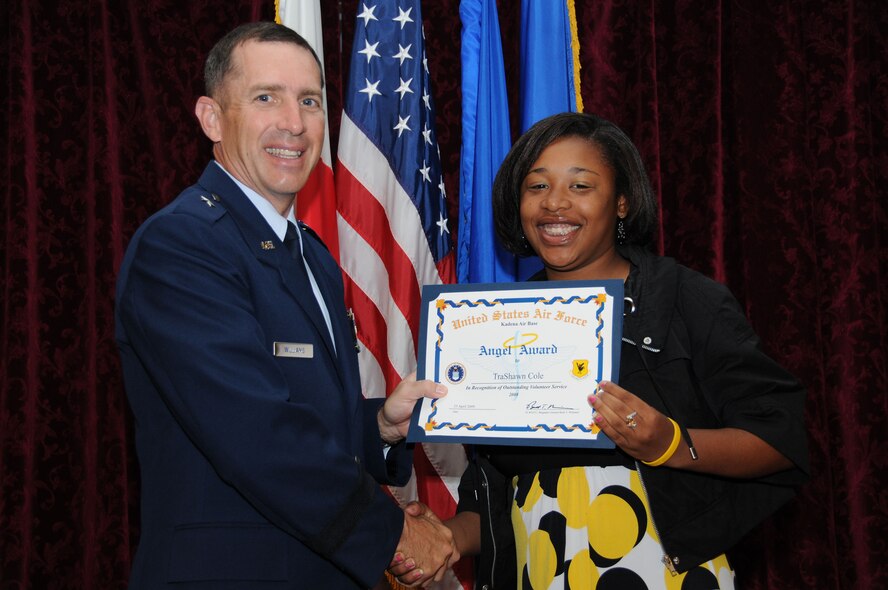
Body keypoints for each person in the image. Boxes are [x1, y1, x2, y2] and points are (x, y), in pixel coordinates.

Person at [389, 112, 809, 589]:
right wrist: (445, 538)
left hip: (662, 573)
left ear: (623, 201)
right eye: (537, 186)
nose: (555, 204)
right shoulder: (494, 324)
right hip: (541, 571)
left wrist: (669, 443)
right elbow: (502, 494)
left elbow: (780, 437)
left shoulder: (683, 299)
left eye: (581, 186)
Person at [115, 22, 457, 589]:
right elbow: (256, 432)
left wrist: (378, 426)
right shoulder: (181, 244)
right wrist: (394, 532)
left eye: (310, 101)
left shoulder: (311, 255)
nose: (294, 124)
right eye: (265, 97)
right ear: (211, 117)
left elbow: (303, 404)